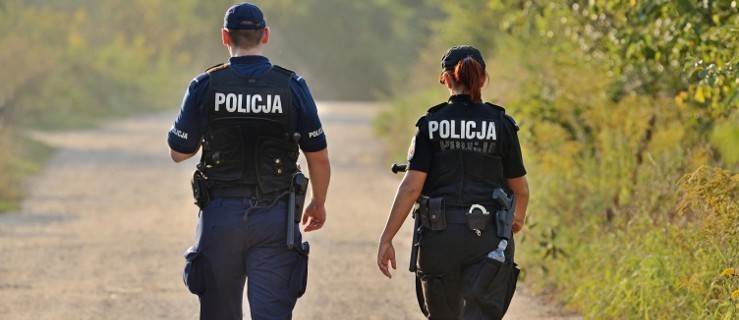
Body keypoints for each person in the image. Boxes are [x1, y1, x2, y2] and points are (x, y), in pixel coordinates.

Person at [167, 3, 331, 319]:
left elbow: (178, 152)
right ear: (265, 35)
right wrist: (318, 202)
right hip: (277, 218)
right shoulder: (292, 86)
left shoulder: (205, 85)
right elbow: (318, 156)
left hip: (220, 217)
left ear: (225, 36)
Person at [377, 45, 529, 319]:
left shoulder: (431, 123)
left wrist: (387, 238)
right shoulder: (502, 125)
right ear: (482, 78)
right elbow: (521, 190)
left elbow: (411, 187)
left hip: (438, 238)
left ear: (446, 79)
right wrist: (515, 220)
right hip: (488, 240)